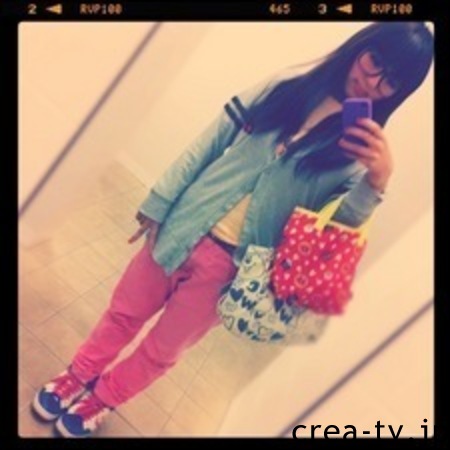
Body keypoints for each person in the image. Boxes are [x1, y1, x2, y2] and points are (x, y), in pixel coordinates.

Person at [30, 22, 433, 438]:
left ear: (399, 94)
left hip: (231, 271)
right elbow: (210, 141)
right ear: (361, 45)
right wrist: (160, 202)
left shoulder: (357, 159)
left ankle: (103, 398)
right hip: (182, 225)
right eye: (374, 61)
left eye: (391, 81)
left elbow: (333, 233)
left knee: (162, 350)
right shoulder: (286, 86)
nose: (372, 82)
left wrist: (376, 183)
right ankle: (77, 375)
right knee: (124, 312)